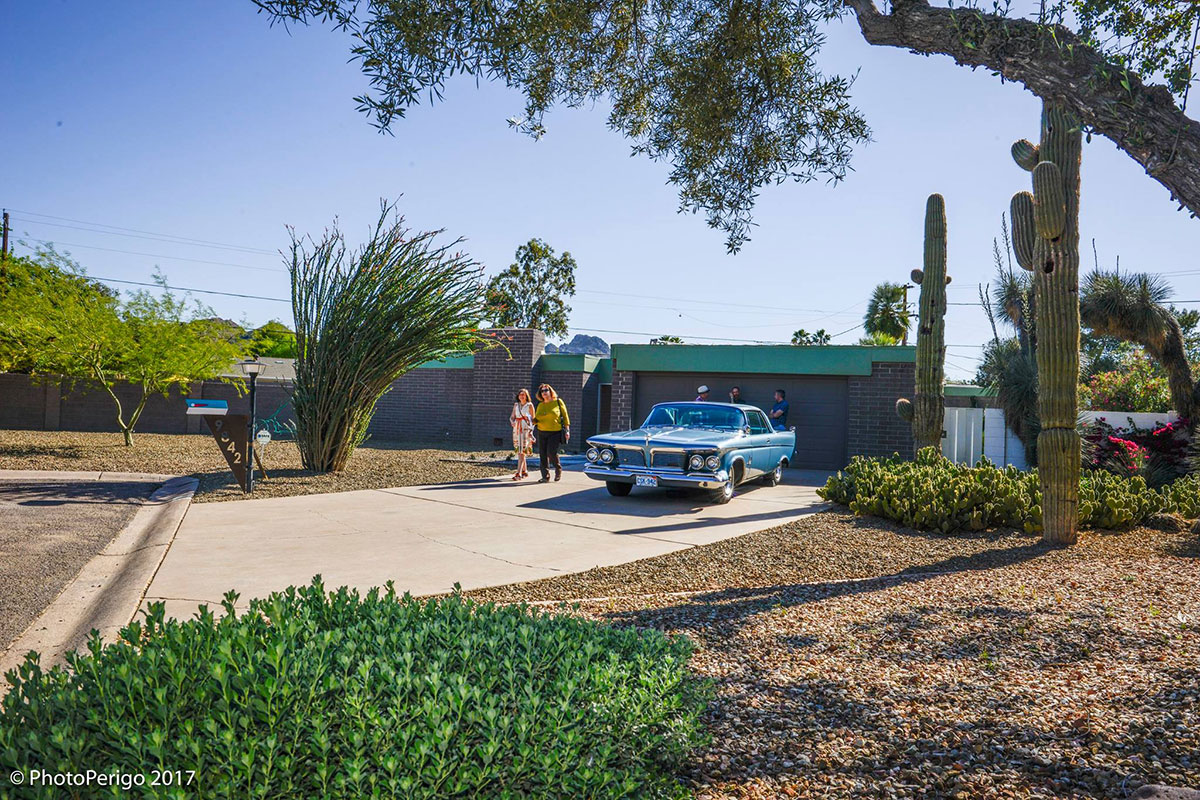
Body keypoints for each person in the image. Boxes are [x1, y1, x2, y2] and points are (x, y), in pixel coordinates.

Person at [533, 384, 571, 482]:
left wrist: (567, 430)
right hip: (542, 431)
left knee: (551, 452)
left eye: (546, 390)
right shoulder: (540, 405)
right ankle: (545, 476)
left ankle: (558, 469)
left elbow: (565, 417)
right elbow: (536, 419)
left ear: (550, 391)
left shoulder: (558, 402)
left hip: (555, 432)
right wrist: (529, 420)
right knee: (542, 454)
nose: (544, 392)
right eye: (542, 391)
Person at [509, 388, 535, 480]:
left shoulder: (529, 405)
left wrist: (531, 431)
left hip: (525, 429)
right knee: (520, 450)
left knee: (521, 451)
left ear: (526, 396)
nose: (522, 396)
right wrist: (512, 421)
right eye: (520, 394)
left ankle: (518, 473)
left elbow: (533, 420)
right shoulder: (516, 405)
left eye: (523, 394)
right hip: (517, 428)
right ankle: (525, 471)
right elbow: (512, 416)